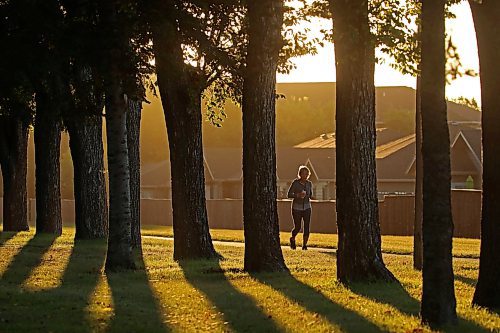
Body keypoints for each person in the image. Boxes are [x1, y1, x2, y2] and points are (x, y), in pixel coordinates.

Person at [287, 165, 313, 250]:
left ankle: (304, 245)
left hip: (307, 207)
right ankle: (293, 238)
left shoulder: (309, 184)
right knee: (298, 227)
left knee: (306, 226)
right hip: (296, 208)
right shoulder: (295, 183)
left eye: (306, 174)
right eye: (303, 174)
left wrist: (308, 196)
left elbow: (310, 195)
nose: (304, 176)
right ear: (300, 174)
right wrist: (297, 195)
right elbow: (289, 194)